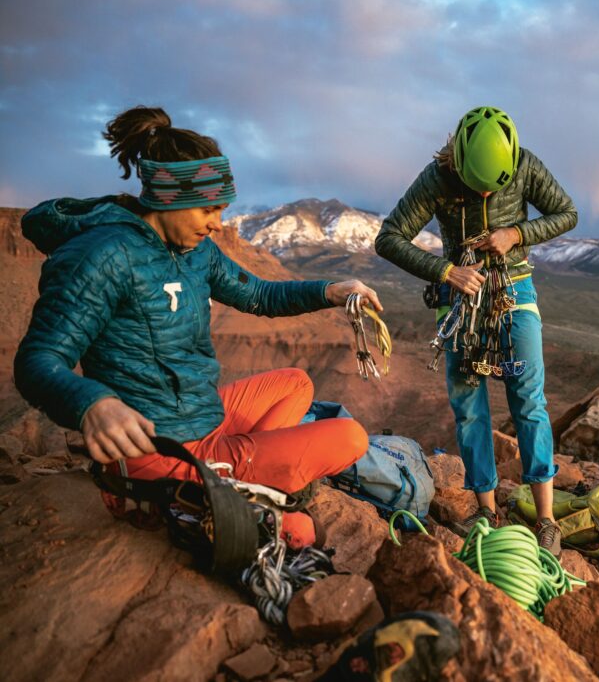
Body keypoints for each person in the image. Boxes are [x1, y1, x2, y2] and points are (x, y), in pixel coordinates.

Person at [14, 106, 380, 548]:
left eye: (221, 210)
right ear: (170, 198)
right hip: (157, 448)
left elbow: (259, 295)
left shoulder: (194, 251)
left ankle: (244, 474)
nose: (217, 223)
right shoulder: (105, 256)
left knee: (296, 383)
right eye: (209, 209)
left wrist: (333, 291)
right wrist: (93, 403)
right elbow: (38, 359)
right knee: (348, 439)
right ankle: (221, 484)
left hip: (199, 417)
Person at [375, 106, 577, 555]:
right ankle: (486, 509)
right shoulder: (436, 178)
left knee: (528, 399)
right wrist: (446, 271)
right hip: (459, 304)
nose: (485, 190)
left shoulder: (524, 164)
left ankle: (546, 519)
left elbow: (566, 213)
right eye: (477, 184)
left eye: (494, 185)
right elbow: (388, 238)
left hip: (515, 290)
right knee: (469, 406)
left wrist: (516, 234)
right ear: (459, 163)